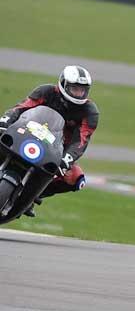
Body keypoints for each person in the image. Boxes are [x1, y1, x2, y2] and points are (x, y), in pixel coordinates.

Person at [0, 65, 99, 217]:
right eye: (75, 89)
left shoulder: (90, 111)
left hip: (55, 150)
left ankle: (34, 195)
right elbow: (21, 108)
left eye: (82, 90)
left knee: (76, 178)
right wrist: (5, 121)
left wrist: (67, 159)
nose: (79, 93)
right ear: (63, 84)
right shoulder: (46, 91)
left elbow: (81, 141)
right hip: (27, 134)